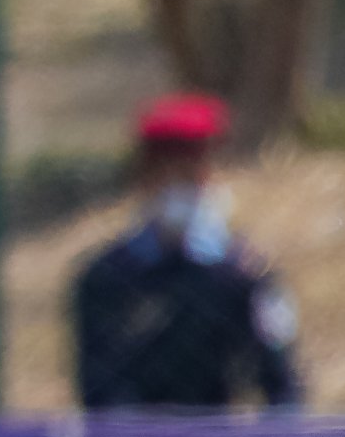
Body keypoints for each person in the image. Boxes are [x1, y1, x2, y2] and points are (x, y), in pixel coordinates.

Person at [70, 93, 306, 415]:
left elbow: (280, 380)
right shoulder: (108, 277)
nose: (182, 190)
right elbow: (98, 386)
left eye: (192, 175)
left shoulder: (245, 274)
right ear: (144, 180)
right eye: (169, 176)